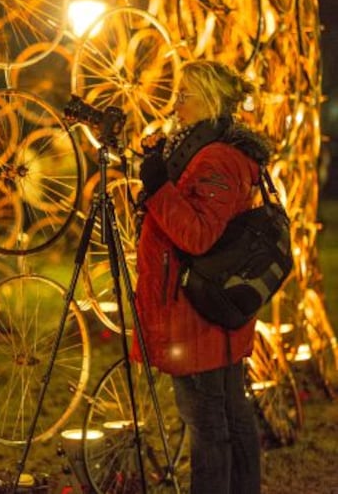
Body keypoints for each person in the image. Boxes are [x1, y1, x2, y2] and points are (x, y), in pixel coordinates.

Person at [131, 60, 272, 494]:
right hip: (201, 312)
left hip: (197, 316)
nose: (176, 104)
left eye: (185, 94)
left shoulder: (218, 159)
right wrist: (161, 176)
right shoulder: (201, 150)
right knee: (230, 412)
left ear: (210, 100)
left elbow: (198, 235)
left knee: (208, 424)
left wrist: (158, 187)